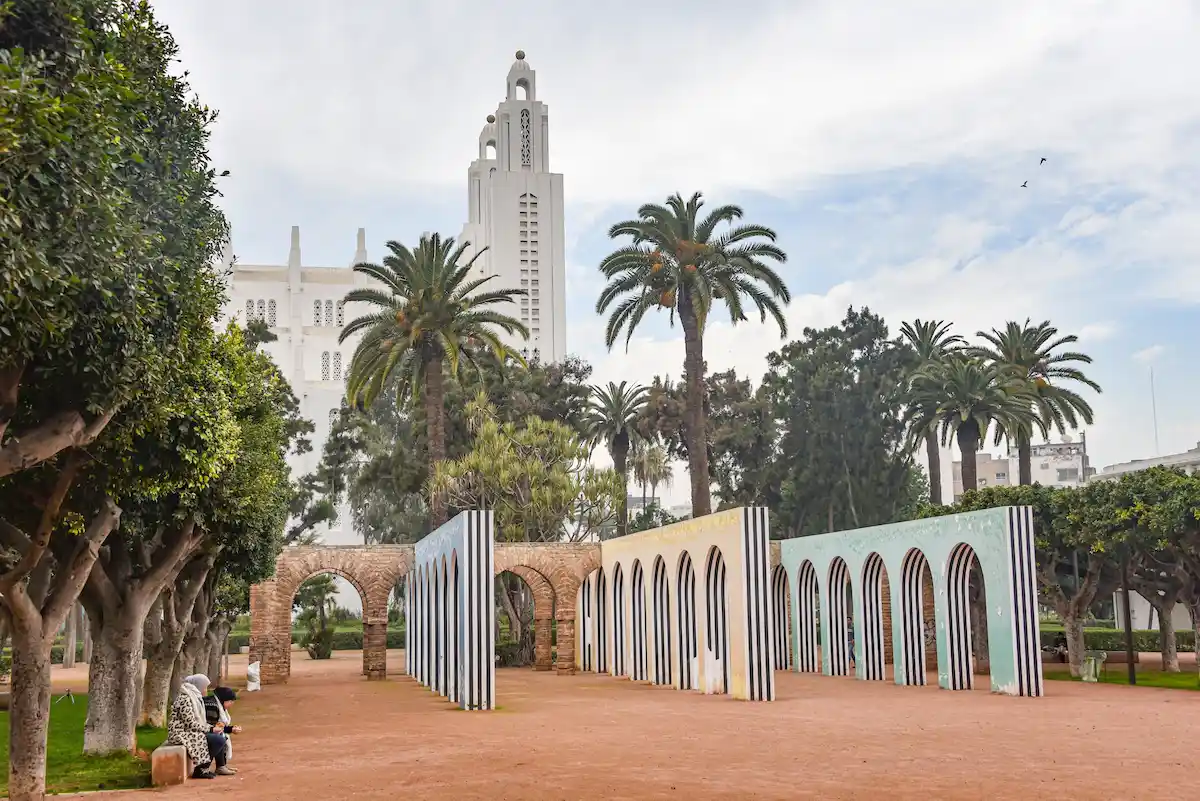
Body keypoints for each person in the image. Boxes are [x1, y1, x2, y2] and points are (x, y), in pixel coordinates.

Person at [166, 674, 232, 778]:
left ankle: (210, 767)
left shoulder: (195, 698)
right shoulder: (185, 699)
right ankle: (201, 769)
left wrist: (213, 728)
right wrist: (210, 729)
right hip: (181, 732)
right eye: (204, 687)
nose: (206, 690)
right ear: (198, 686)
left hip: (189, 730)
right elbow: (190, 723)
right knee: (217, 739)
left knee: (220, 736)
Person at [204, 687, 242, 769]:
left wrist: (231, 729)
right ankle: (210, 767)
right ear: (224, 699)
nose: (232, 704)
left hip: (207, 729)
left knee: (221, 736)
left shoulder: (217, 705)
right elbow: (213, 727)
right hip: (202, 731)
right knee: (219, 737)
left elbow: (217, 726)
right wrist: (230, 729)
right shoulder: (212, 706)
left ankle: (221, 766)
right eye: (230, 701)